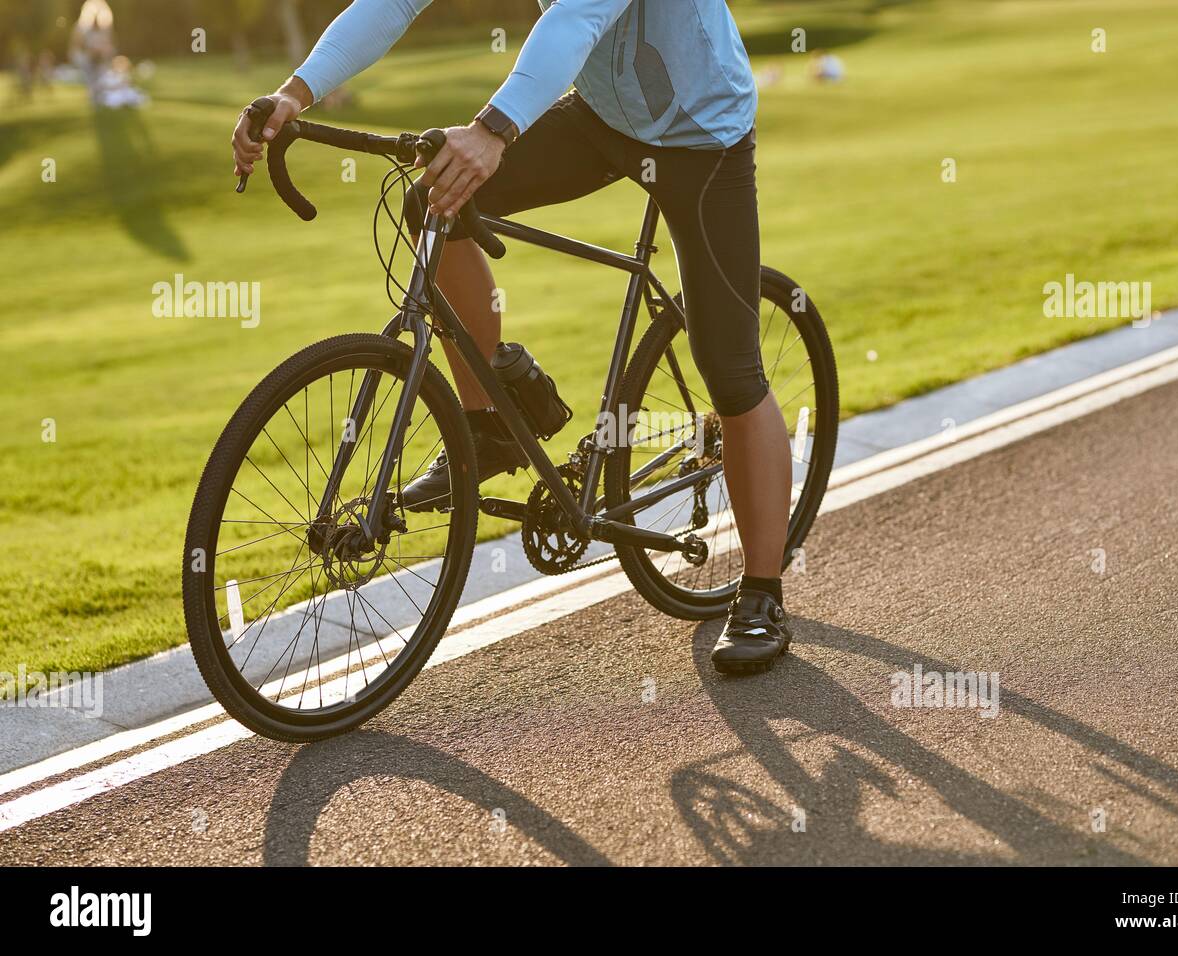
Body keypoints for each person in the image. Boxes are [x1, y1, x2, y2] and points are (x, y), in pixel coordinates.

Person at [231, 0, 797, 674]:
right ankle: (489, 416)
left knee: (730, 371)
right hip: (604, 117)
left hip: (703, 133)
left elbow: (576, 20)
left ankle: (762, 593)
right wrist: (295, 94)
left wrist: (492, 130)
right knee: (434, 200)